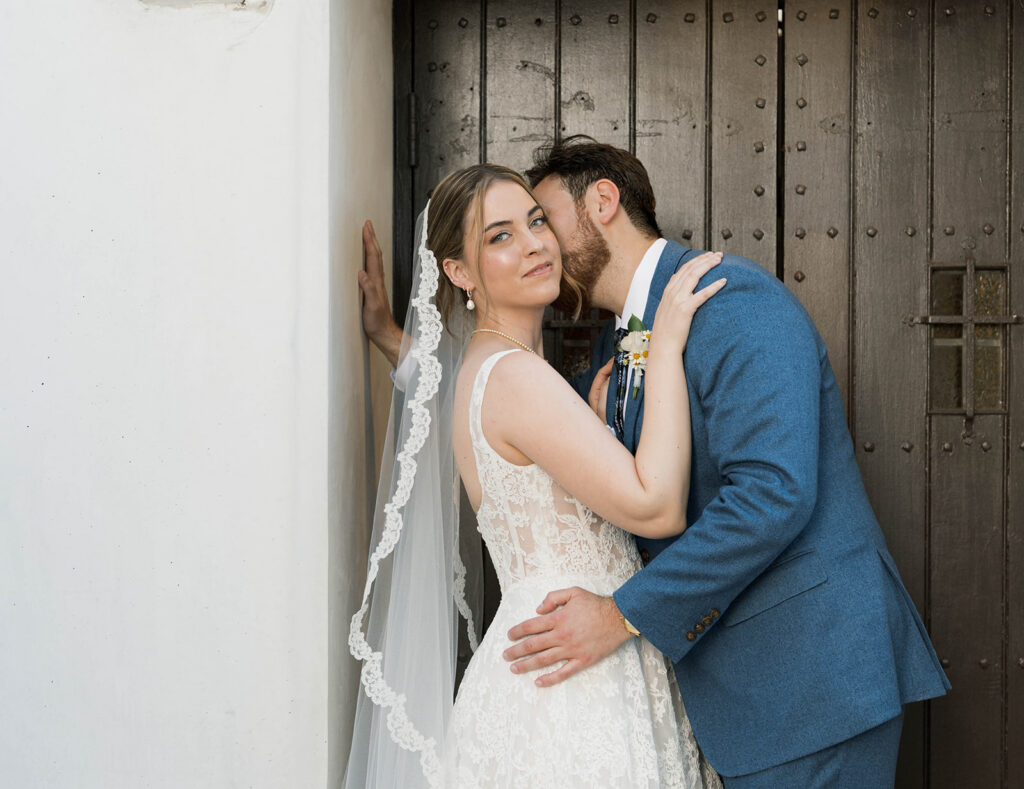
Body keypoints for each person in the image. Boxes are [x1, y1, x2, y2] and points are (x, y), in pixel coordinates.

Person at [348, 163, 725, 788]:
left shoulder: (491, 366)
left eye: (536, 221)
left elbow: (461, 406)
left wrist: (390, 339)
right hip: (570, 678)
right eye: (499, 236)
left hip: (562, 653)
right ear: (459, 273)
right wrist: (665, 344)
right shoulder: (516, 378)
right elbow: (656, 506)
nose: (532, 244)